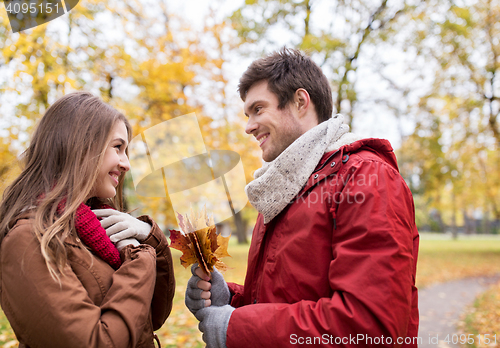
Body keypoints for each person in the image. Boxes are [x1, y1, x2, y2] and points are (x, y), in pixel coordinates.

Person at [185, 48, 419, 347]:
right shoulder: (280, 189)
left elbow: (371, 327)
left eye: (258, 109)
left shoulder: (367, 179)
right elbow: (286, 296)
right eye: (247, 114)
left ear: (299, 102)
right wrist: (231, 298)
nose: (248, 127)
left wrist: (237, 326)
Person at [0, 92, 175, 348]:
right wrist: (142, 260)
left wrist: (149, 237)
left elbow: (151, 317)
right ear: (81, 146)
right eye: (118, 147)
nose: (126, 163)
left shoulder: (94, 228)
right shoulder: (29, 239)